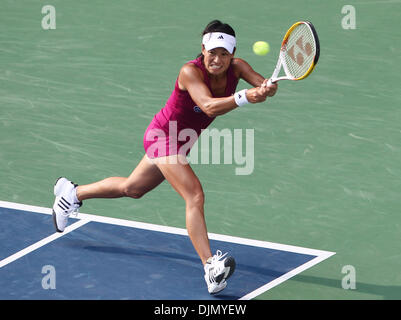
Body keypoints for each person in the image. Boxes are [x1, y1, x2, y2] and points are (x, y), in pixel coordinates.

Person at [52, 20, 278, 295]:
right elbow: (208, 106)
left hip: (182, 141)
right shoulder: (189, 72)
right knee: (194, 195)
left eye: (223, 54)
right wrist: (246, 96)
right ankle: (211, 267)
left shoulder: (238, 67)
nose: (217, 59)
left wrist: (266, 89)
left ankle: (72, 194)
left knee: (132, 188)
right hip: (162, 135)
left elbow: (262, 87)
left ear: (232, 54)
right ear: (202, 49)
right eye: (212, 52)